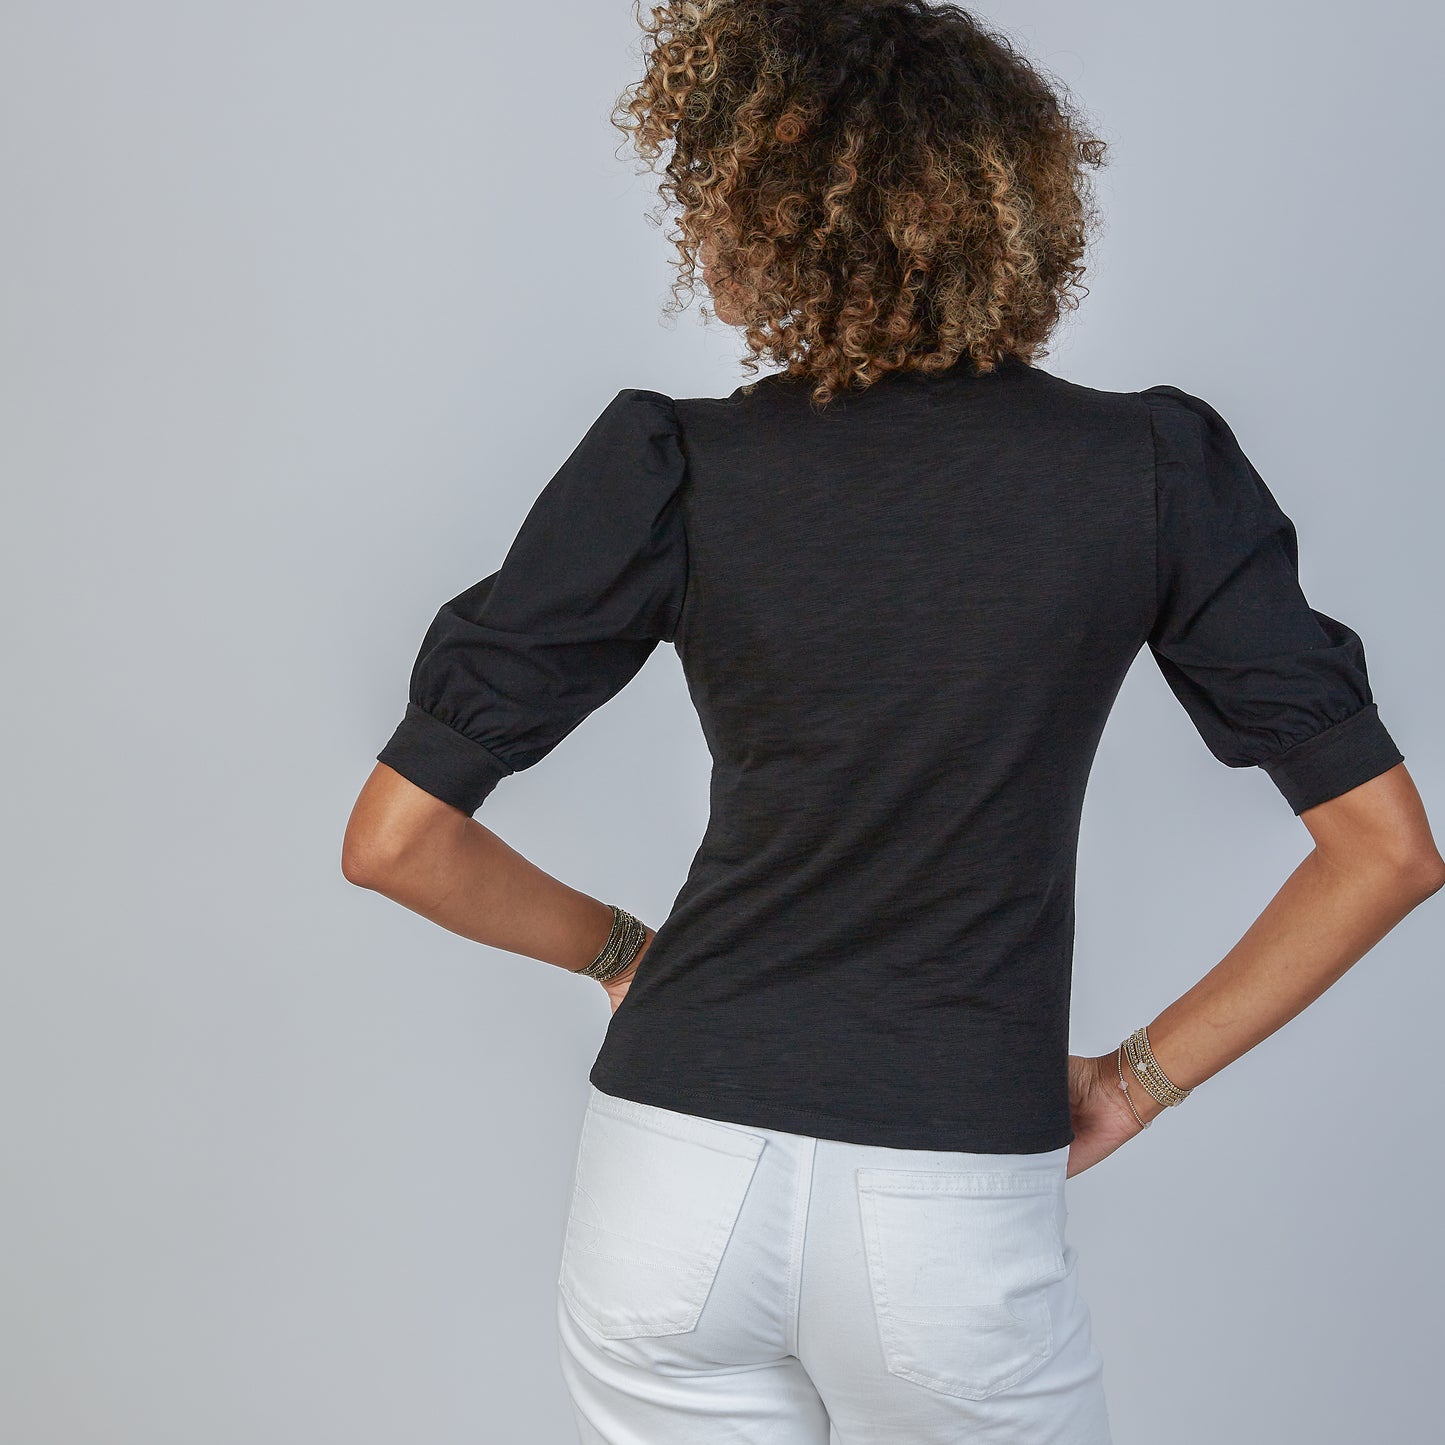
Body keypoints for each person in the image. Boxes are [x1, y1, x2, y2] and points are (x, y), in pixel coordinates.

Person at [341, 2, 1445, 1440]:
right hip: (945, 1196)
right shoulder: (1147, 467)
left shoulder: (674, 465)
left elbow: (396, 843)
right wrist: (1136, 1081)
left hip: (668, 1177)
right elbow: (1386, 853)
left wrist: (623, 954)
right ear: (1021, 204)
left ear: (747, 211)